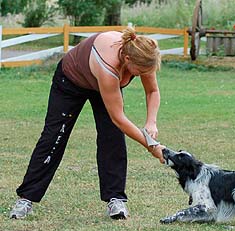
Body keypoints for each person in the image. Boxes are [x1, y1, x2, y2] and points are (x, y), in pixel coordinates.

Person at [9, 27, 166, 220]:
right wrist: (152, 146)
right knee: (54, 137)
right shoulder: (109, 66)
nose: (143, 74)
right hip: (71, 81)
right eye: (141, 72)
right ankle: (26, 198)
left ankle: (116, 199)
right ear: (127, 60)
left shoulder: (143, 55)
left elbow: (152, 91)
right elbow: (119, 118)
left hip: (103, 85)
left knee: (112, 137)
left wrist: (151, 122)